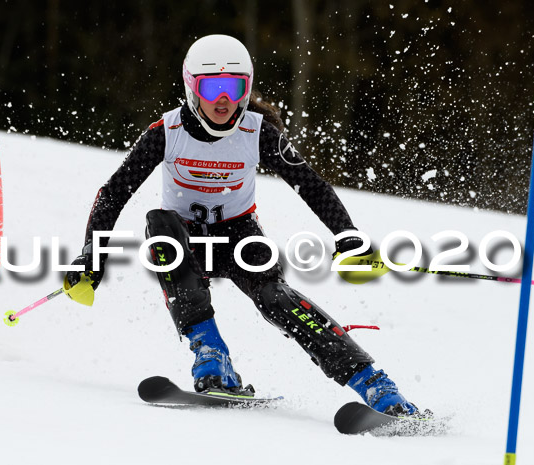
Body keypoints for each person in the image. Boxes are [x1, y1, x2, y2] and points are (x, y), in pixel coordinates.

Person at [65, 34, 419, 416]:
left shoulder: (258, 131)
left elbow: (312, 186)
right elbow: (114, 192)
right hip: (183, 238)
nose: (223, 99)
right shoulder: (166, 132)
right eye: (211, 87)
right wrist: (91, 254)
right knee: (160, 225)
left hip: (238, 235)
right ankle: (211, 355)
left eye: (234, 88)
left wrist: (349, 238)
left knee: (275, 298)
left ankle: (375, 384)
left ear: (245, 89)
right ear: (191, 88)